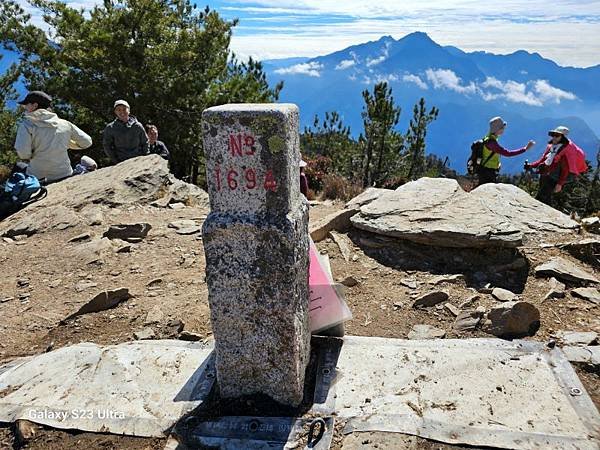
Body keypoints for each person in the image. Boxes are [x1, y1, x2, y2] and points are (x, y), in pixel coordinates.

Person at [14, 91, 92, 183]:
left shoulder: (26, 125)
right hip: (64, 173)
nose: (24, 107)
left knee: (18, 166)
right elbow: (87, 142)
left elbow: (23, 154)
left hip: (38, 177)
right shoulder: (65, 123)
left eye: (26, 104)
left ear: (35, 105)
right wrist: (66, 143)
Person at [525, 126, 588, 206]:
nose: (554, 137)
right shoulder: (551, 147)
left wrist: (559, 184)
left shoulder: (565, 152)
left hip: (555, 176)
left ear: (563, 137)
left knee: (543, 195)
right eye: (553, 135)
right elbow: (543, 160)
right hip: (547, 173)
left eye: (557, 136)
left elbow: (565, 170)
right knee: (543, 194)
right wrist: (530, 165)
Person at [477, 116, 535, 185]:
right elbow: (508, 153)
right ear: (497, 129)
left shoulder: (488, 138)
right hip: (488, 172)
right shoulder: (492, 142)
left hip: (486, 170)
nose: (503, 129)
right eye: (502, 128)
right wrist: (525, 149)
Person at [102, 100, 148, 164]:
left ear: (129, 110)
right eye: (119, 110)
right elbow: (107, 146)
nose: (122, 112)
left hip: (138, 160)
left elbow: (145, 142)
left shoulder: (137, 126)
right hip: (121, 161)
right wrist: (116, 160)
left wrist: (145, 157)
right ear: (115, 112)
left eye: (124, 109)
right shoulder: (110, 128)